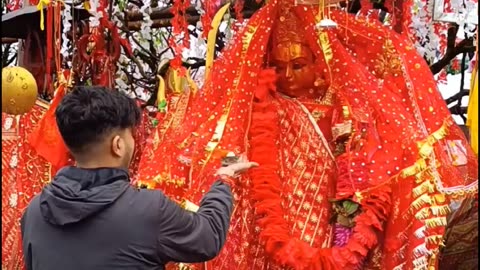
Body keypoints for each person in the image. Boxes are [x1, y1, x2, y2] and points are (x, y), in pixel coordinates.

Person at [135, 0, 478, 269]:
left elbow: (379, 162)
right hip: (272, 220)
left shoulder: (343, 108)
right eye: (279, 66)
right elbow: (231, 157)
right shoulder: (258, 109)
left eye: (298, 65)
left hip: (330, 219)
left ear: (319, 64)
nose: (287, 75)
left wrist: (354, 144)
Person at [20, 86, 258, 270]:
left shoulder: (34, 212)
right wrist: (224, 180)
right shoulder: (147, 210)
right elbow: (207, 238)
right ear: (118, 145)